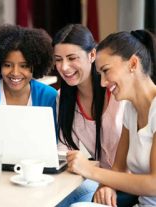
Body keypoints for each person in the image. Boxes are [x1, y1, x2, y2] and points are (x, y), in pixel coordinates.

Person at [67, 29, 156, 207]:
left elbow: (154, 185)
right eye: (100, 74)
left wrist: (90, 171)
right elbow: (119, 168)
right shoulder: (131, 109)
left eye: (106, 71)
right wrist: (108, 186)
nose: (102, 83)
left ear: (133, 64)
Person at [52, 24, 130, 206]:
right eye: (58, 59)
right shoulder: (62, 98)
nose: (64, 67)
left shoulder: (119, 94)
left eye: (72, 58)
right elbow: (64, 151)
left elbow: (133, 160)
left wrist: (108, 183)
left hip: (127, 186)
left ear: (92, 55)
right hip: (94, 182)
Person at [0, 25, 57, 125]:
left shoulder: (48, 96)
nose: (15, 73)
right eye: (7, 65)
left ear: (36, 65)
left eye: (24, 66)